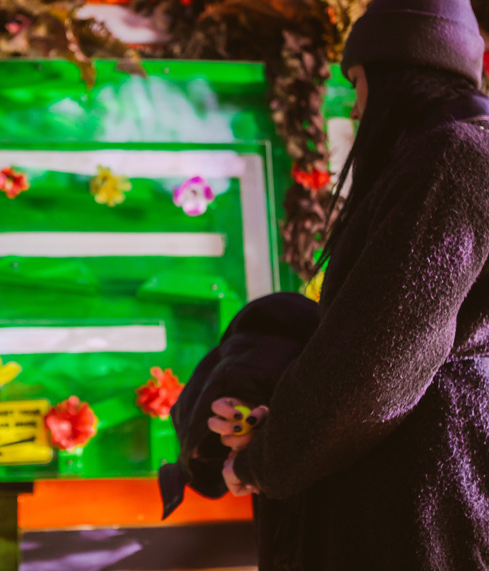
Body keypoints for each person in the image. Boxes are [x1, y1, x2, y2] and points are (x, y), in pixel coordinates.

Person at [208, 0, 489, 568]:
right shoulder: (458, 155)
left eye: (358, 83)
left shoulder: (453, 158)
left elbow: (377, 359)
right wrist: (280, 427)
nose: (357, 110)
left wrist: (265, 460)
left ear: (397, 72)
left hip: (420, 520)